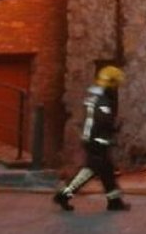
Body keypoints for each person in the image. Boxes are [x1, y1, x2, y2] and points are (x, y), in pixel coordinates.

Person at [53, 65, 129, 212]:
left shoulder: (95, 97)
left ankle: (115, 202)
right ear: (111, 83)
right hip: (97, 142)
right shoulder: (102, 101)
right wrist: (114, 127)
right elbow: (102, 121)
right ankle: (63, 195)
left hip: (94, 141)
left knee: (107, 172)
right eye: (115, 85)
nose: (116, 88)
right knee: (88, 172)